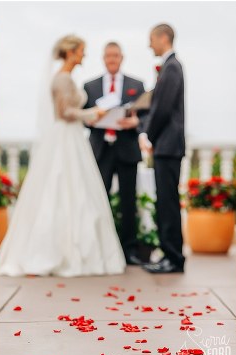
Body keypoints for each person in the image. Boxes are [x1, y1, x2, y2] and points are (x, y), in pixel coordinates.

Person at [0, 35, 126, 277]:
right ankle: (60, 253)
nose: (84, 55)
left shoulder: (65, 77)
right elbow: (65, 112)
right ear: (72, 52)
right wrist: (93, 113)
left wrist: (90, 115)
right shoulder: (63, 78)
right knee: (64, 188)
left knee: (76, 191)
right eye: (82, 51)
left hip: (71, 136)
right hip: (66, 136)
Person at [118, 24, 186, 273]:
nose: (149, 45)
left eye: (151, 40)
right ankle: (170, 255)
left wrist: (146, 133)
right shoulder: (169, 67)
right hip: (166, 146)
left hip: (168, 146)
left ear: (163, 38)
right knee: (164, 201)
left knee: (168, 203)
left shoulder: (172, 67)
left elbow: (163, 109)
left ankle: (174, 257)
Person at [83, 42, 146, 265]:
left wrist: (135, 122)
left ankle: (129, 250)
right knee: (99, 200)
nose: (112, 59)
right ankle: (100, 249)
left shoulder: (136, 85)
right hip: (101, 151)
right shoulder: (89, 86)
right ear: (103, 58)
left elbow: (144, 115)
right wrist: (96, 119)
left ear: (122, 58)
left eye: (116, 56)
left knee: (129, 202)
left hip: (127, 149)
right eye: (108, 56)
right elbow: (84, 119)